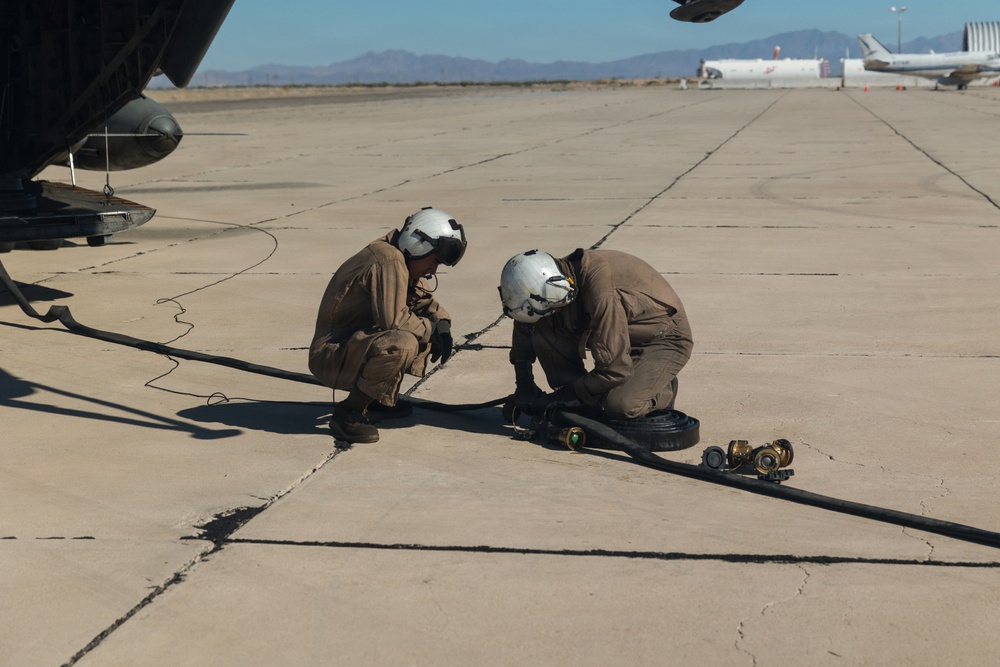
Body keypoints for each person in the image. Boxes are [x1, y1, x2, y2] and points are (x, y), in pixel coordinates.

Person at [309, 207, 467, 443]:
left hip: (349, 346)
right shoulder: (389, 261)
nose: (433, 270)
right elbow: (395, 319)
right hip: (330, 356)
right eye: (434, 262)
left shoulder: (401, 257)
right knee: (402, 343)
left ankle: (375, 399)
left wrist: (441, 322)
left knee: (413, 334)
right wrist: (431, 331)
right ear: (418, 245)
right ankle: (350, 413)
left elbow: (421, 299)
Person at [498, 248, 693, 423]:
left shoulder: (602, 296)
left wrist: (559, 399)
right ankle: (580, 400)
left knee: (620, 404)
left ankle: (662, 388)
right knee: (544, 324)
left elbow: (615, 370)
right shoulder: (546, 277)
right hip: (620, 329)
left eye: (554, 308)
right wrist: (523, 384)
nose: (555, 313)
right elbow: (526, 327)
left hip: (663, 338)